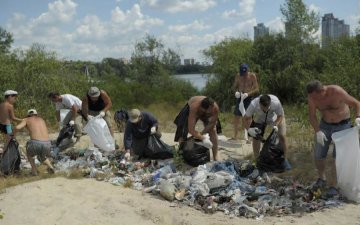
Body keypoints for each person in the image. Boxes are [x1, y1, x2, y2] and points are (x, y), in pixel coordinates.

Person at [307, 80, 360, 196]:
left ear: (321, 91)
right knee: (319, 154)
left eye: (314, 96)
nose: (312, 99)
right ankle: (322, 178)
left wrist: (358, 117)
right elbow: (312, 115)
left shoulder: (337, 92)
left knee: (337, 156)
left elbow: (356, 104)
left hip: (342, 126)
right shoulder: (312, 97)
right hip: (324, 126)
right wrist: (318, 131)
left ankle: (334, 185)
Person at [243, 94, 291, 170]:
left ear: (270, 104)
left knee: (282, 136)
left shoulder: (276, 102)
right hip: (260, 117)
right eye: (263, 108)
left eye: (267, 108)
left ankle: (285, 159)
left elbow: (280, 116)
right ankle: (257, 158)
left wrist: (276, 125)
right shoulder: (253, 104)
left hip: (275, 117)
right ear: (259, 104)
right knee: (256, 136)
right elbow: (245, 118)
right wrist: (249, 129)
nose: (265, 110)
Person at [174, 96, 220, 161]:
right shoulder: (194, 107)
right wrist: (203, 138)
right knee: (182, 129)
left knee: (213, 130)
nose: (203, 113)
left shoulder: (215, 109)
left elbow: (212, 124)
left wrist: (201, 134)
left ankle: (215, 156)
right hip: (191, 107)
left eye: (207, 111)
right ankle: (181, 154)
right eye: (202, 111)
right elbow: (191, 129)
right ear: (200, 108)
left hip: (207, 109)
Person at [14, 109, 55, 176]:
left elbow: (17, 128)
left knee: (30, 154)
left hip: (36, 143)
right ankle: (51, 167)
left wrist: (13, 135)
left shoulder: (26, 119)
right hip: (48, 143)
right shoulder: (41, 120)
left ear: (27, 115)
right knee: (42, 156)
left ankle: (34, 171)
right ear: (36, 114)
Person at [232, 63, 259, 141]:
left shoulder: (252, 76)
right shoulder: (238, 76)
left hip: (248, 97)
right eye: (242, 73)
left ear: (248, 70)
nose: (243, 75)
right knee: (236, 116)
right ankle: (235, 136)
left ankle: (248, 136)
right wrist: (236, 92)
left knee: (248, 117)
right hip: (240, 98)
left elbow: (257, 89)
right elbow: (234, 87)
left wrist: (248, 94)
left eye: (245, 73)